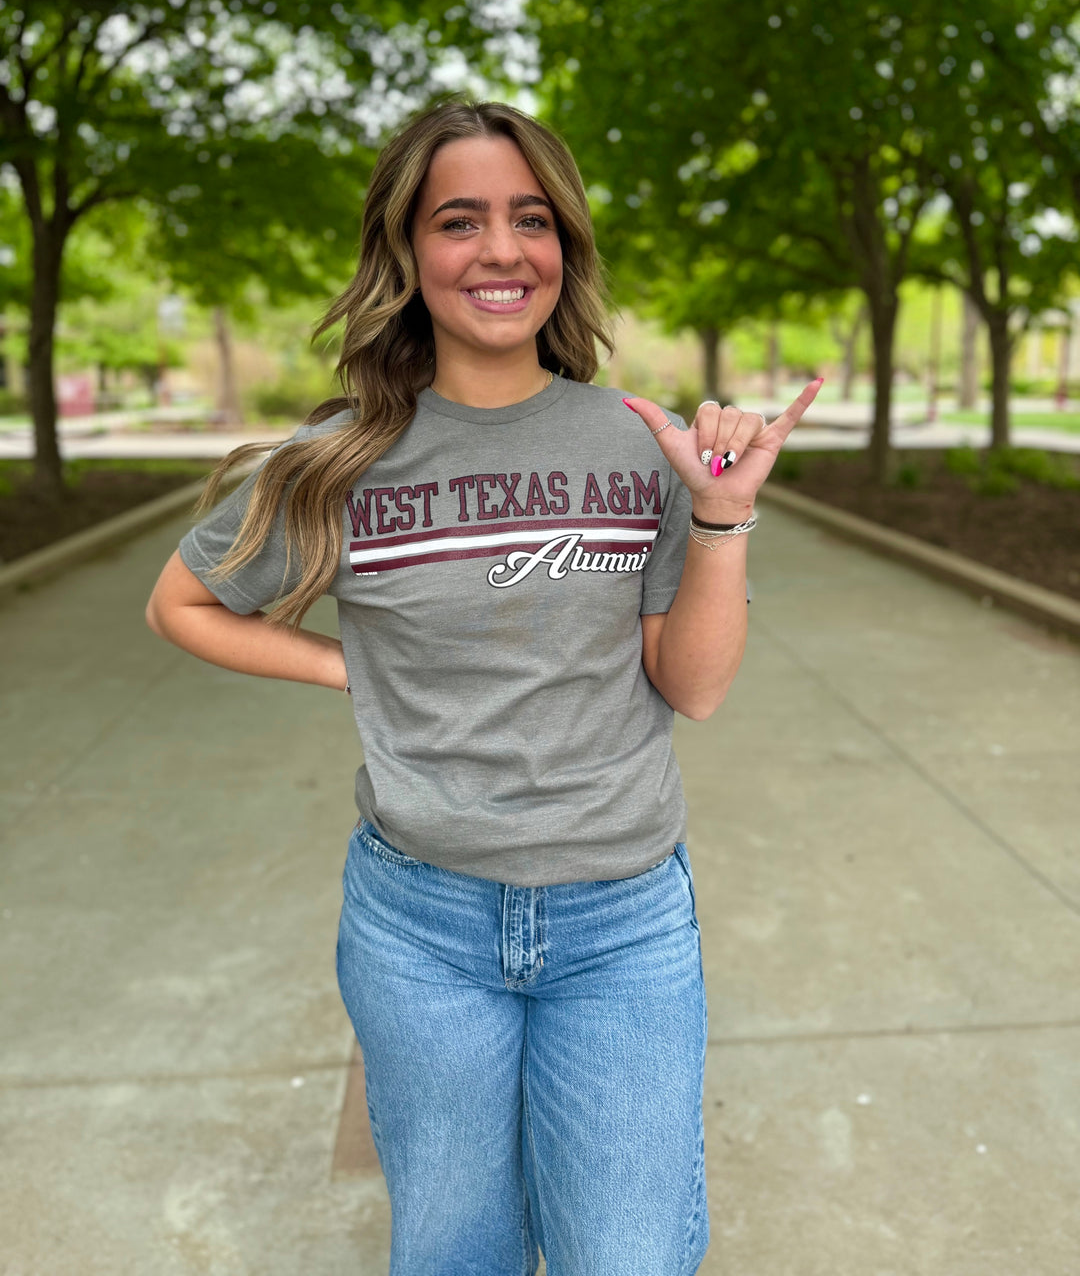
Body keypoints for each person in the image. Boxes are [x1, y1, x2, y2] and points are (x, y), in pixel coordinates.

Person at [145, 98, 821, 1275]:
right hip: (421, 925)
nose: (502, 250)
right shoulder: (338, 463)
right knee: (456, 1251)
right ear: (407, 253)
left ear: (565, 246)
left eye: (531, 218)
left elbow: (694, 688)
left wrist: (721, 517)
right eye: (460, 221)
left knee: (629, 1255)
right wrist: (343, 663)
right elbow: (181, 604)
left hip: (621, 921)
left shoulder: (637, 442)